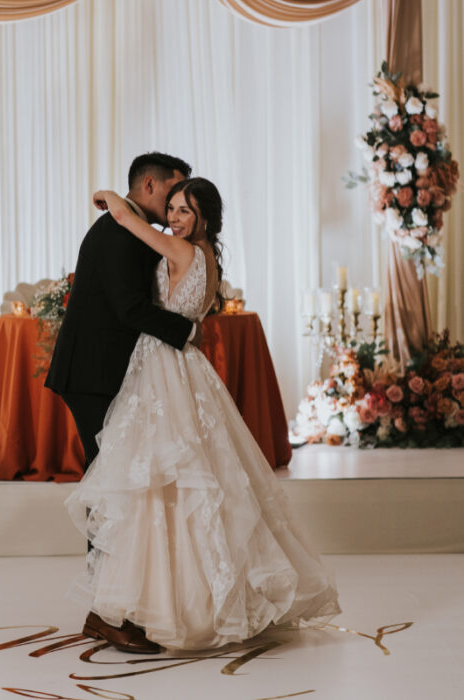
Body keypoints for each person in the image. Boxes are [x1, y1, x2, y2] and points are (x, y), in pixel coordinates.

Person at [64, 178, 341, 653]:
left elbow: (129, 220)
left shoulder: (178, 248)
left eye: (183, 211)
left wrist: (109, 195)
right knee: (197, 478)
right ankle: (168, 599)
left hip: (160, 363)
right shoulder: (209, 258)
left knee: (157, 480)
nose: (172, 218)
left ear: (203, 218)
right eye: (171, 209)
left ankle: (144, 604)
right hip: (184, 362)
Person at [45, 152, 201, 653]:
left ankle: (114, 603)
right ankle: (104, 612)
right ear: (150, 185)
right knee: (107, 488)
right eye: (173, 192)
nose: (176, 203)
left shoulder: (127, 224)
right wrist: (188, 331)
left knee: (115, 485)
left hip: (108, 372)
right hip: (93, 375)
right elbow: (129, 307)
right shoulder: (116, 233)